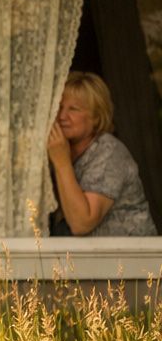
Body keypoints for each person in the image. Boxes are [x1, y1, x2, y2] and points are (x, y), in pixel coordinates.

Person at [46, 71, 157, 236]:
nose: (62, 116)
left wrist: (62, 162)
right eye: (59, 107)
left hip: (130, 258)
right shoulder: (58, 149)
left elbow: (82, 223)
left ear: (96, 117)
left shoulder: (109, 151)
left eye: (73, 109)